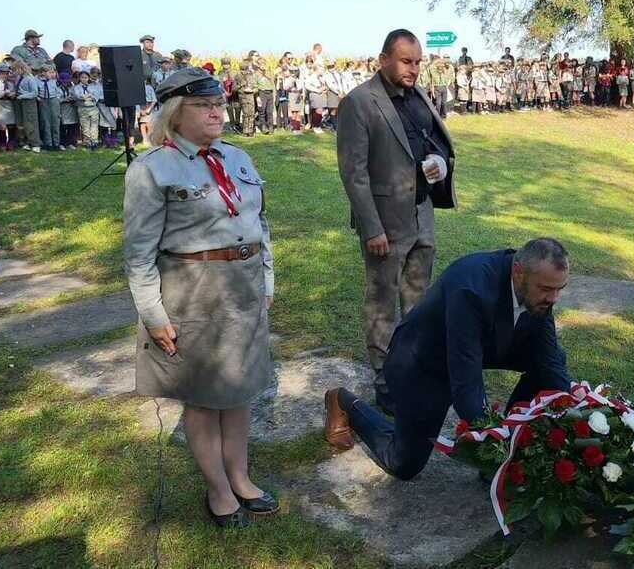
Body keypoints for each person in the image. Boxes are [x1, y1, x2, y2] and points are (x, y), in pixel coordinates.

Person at [124, 67, 278, 529]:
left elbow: (261, 226)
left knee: (240, 388)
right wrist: (153, 314)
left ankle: (241, 476)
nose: (217, 111)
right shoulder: (152, 169)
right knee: (205, 395)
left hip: (245, 285)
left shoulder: (238, 157)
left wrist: (266, 281)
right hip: (194, 291)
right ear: (174, 113)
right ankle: (218, 489)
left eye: (219, 103)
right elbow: (138, 254)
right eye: (203, 105)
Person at [323, 238, 573, 480]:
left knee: (548, 366)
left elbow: (549, 357)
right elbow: (467, 381)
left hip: (482, 342)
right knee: (404, 463)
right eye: (546, 289)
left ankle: (513, 441)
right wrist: (491, 441)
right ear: (518, 272)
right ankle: (344, 401)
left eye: (559, 289)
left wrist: (574, 409)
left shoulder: (538, 287)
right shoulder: (471, 289)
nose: (553, 299)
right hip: (423, 358)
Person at [336, 28, 456, 415]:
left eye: (418, 62)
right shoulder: (359, 102)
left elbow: (429, 141)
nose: (414, 69)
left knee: (419, 299)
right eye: (406, 61)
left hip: (422, 213)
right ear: (384, 58)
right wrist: (372, 228)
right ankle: (385, 378)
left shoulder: (417, 95)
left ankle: (415, 368)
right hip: (385, 223)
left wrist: (440, 162)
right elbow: (353, 173)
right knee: (383, 300)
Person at [0, 62, 18, 150]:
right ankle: (2, 142)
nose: (4, 75)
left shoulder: (11, 83)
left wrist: (12, 94)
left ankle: (11, 142)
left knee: (11, 124)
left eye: (6, 73)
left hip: (9, 104)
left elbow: (14, 93)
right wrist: (2, 93)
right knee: (2, 125)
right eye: (2, 73)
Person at [14, 61, 42, 152]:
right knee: (21, 122)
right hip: (19, 101)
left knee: (31, 122)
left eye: (16, 70)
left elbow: (34, 93)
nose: (15, 72)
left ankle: (35, 143)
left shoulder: (30, 78)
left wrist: (22, 96)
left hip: (29, 102)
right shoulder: (19, 78)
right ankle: (25, 142)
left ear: (21, 69)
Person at [73, 70, 102, 150]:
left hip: (93, 108)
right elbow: (78, 96)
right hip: (83, 109)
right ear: (79, 78)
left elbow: (96, 96)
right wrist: (87, 96)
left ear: (88, 78)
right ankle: (87, 142)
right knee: (85, 126)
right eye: (82, 77)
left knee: (94, 126)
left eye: (86, 77)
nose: (84, 79)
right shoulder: (76, 87)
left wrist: (87, 97)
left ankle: (94, 141)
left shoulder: (92, 86)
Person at [37, 64, 64, 151]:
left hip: (53, 100)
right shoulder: (37, 81)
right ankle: (48, 143)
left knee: (55, 121)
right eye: (50, 72)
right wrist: (38, 98)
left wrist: (57, 98)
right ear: (43, 73)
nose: (52, 74)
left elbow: (58, 91)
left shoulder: (54, 81)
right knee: (46, 122)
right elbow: (36, 91)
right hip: (43, 101)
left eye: (53, 72)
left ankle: (56, 143)